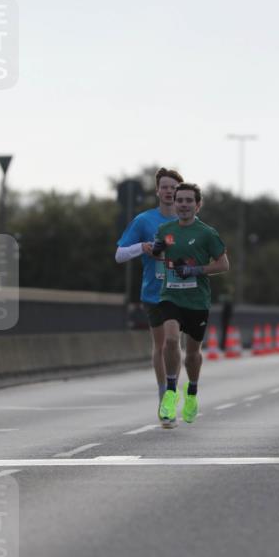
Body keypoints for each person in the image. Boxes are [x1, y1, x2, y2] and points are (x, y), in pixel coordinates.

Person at [154, 183, 229, 427]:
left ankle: (192, 393)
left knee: (193, 354)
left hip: (197, 300)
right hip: (170, 295)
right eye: (180, 200)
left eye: (189, 201)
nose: (184, 205)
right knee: (171, 340)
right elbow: (160, 252)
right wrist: (157, 250)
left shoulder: (207, 233)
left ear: (197, 205)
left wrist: (195, 270)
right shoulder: (165, 230)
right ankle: (170, 391)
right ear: (174, 203)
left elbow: (223, 264)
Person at [115, 167, 184, 409]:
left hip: (181, 293)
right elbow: (119, 255)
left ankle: (172, 389)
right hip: (153, 292)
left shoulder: (188, 222)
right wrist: (142, 247)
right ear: (157, 191)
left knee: (174, 341)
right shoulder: (144, 220)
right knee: (161, 345)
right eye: (164, 187)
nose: (169, 191)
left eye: (173, 188)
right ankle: (163, 392)